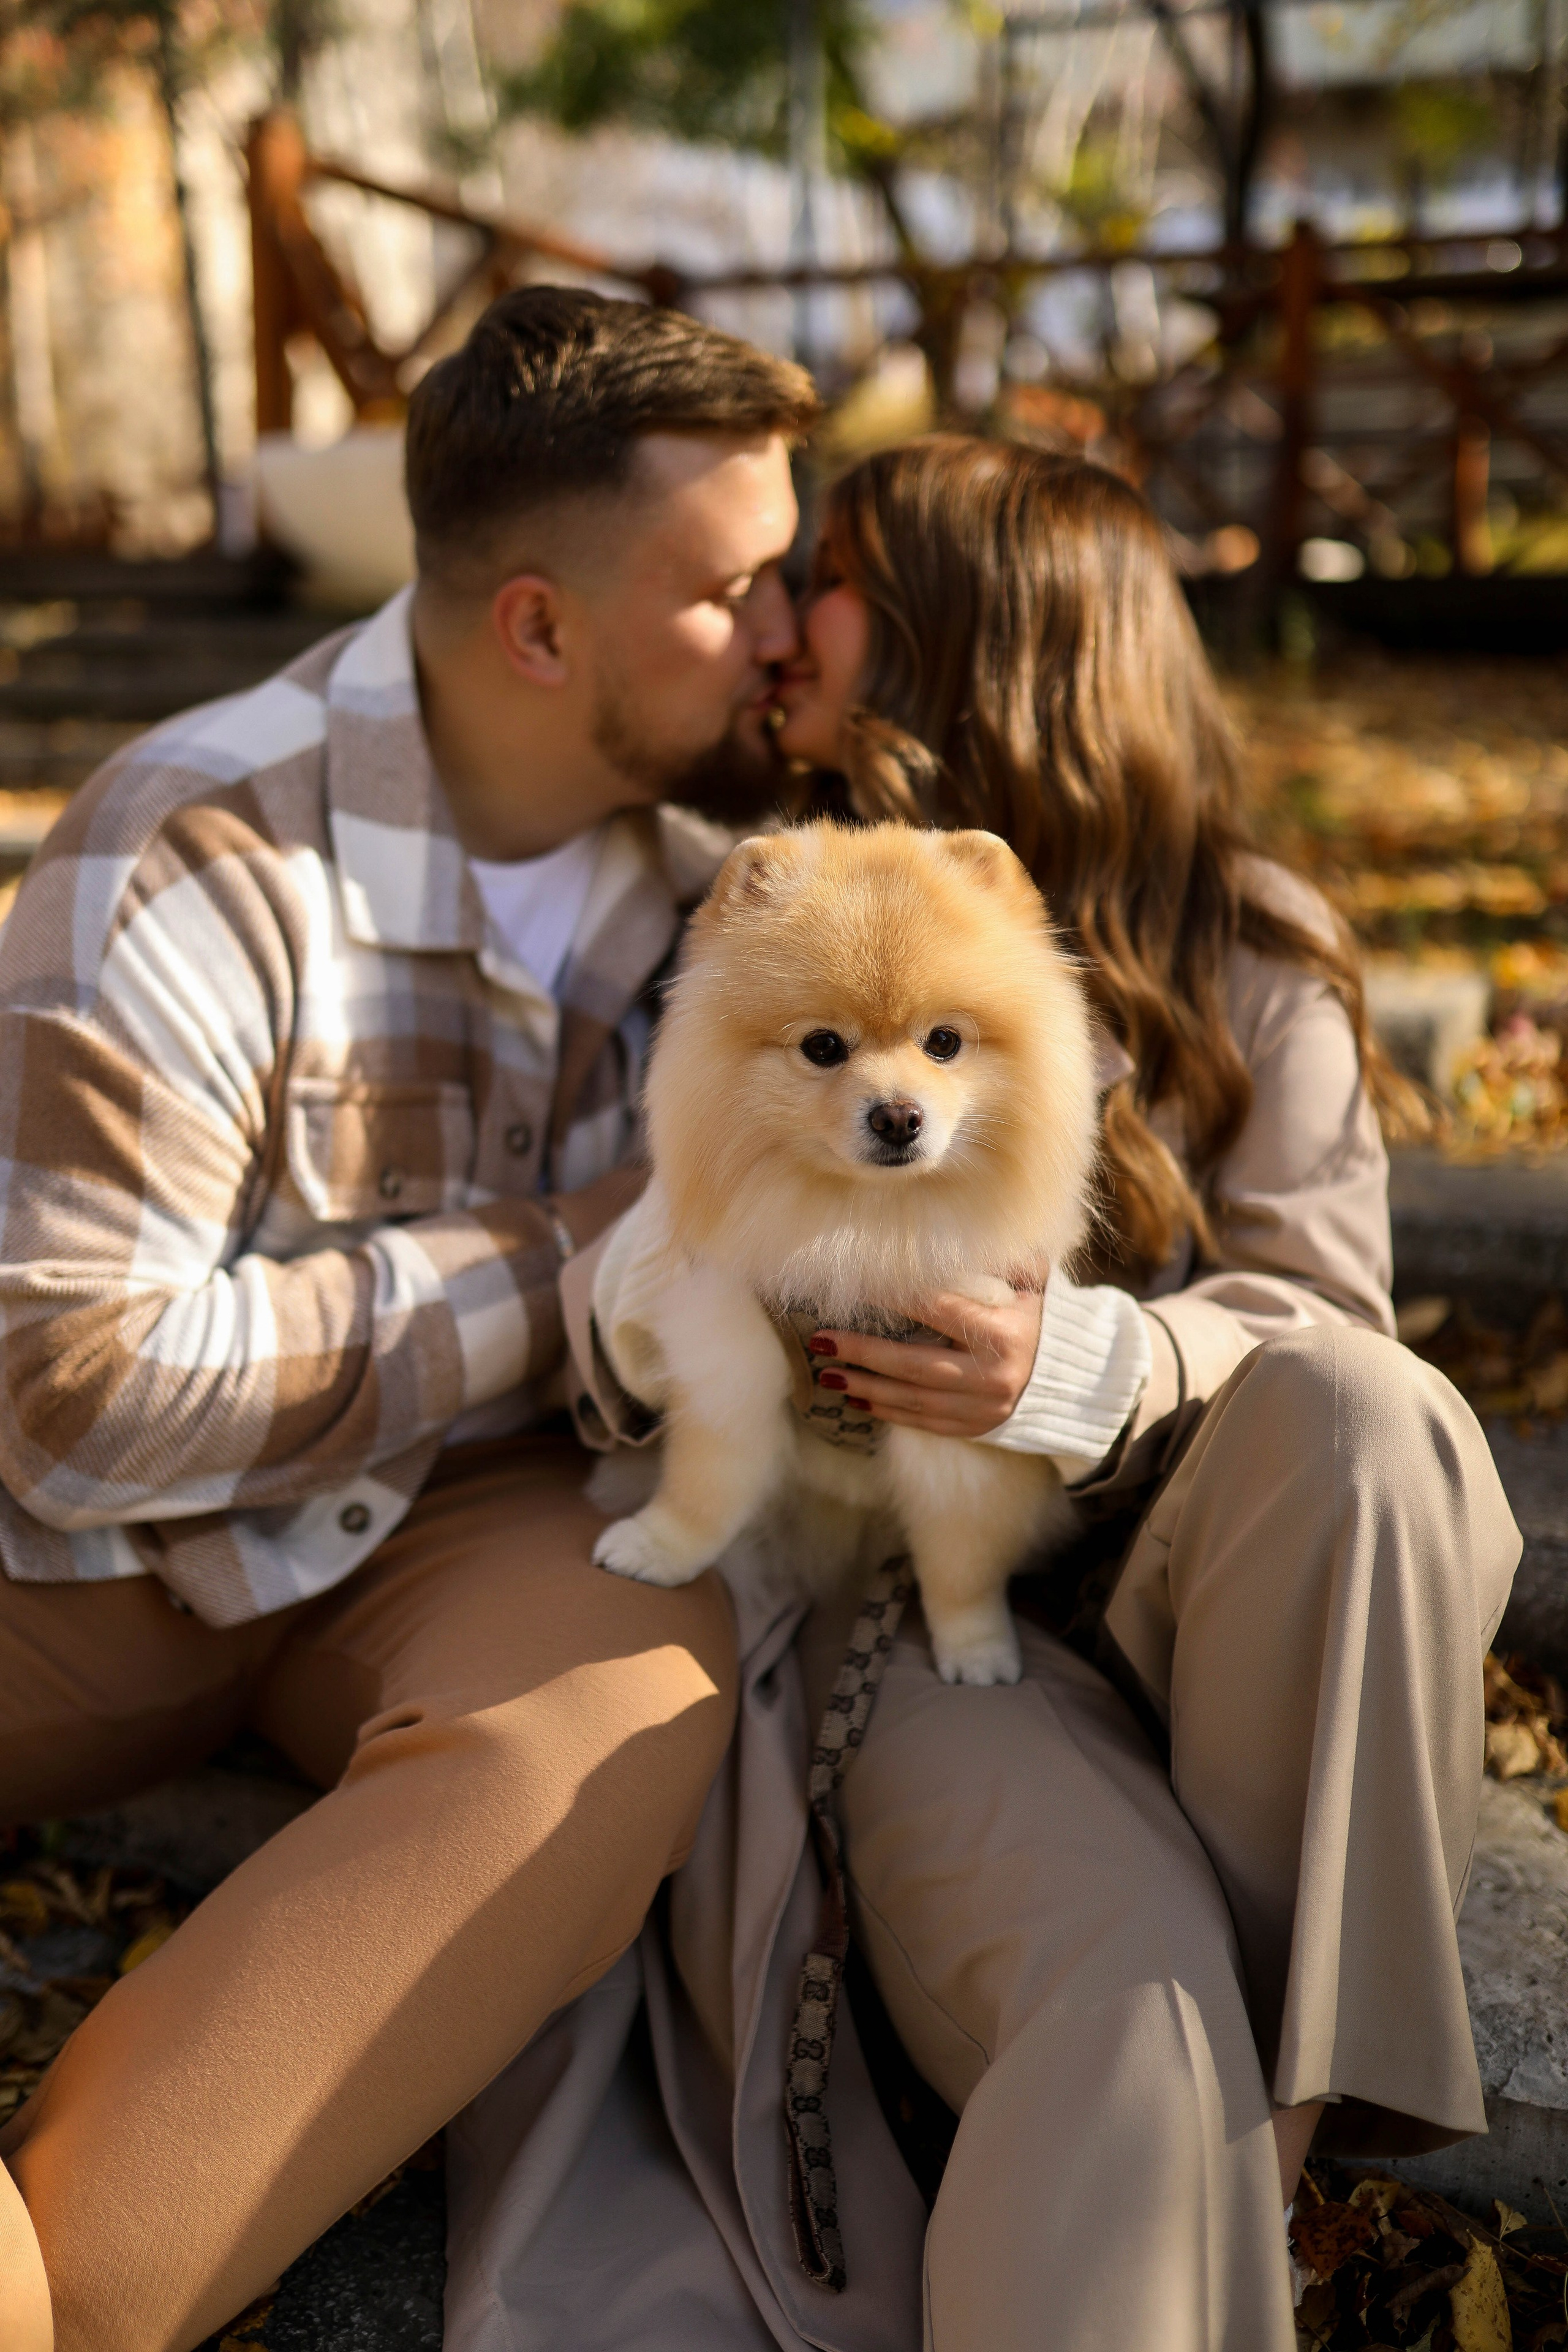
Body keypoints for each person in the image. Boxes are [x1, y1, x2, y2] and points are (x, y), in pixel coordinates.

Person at [454, 436, 1521, 2352]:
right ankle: (1211, 2171)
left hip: (1210, 1593)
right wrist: (729, 1285)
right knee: (1126, 1999)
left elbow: (1331, 1322)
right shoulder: (755, 892)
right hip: (927, 1638)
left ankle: (1269, 2129)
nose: (784, 624)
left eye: (834, 576)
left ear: (976, 640)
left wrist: (1088, 1368)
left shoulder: (1256, 950)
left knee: (1371, 1418)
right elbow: (630, 1277)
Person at [0, 285, 820, 2352]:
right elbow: (69, 1400)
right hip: (74, 1562)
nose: (786, 629)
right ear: (539, 628)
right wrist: (577, 1256)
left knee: (625, 1705)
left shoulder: (737, 896)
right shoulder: (192, 850)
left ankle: (68, 2293)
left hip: (463, 1527)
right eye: (730, 589)